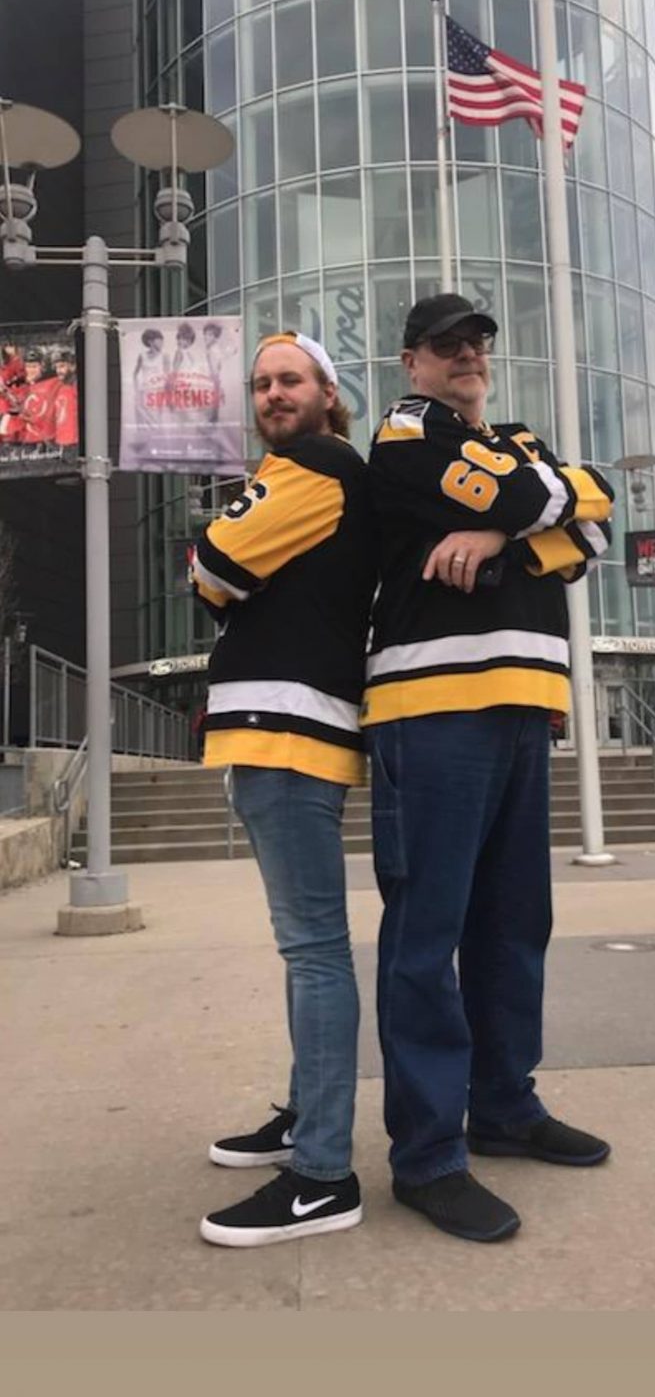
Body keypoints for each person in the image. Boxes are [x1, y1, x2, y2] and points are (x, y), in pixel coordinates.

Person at [362, 293, 615, 1243]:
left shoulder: (514, 441)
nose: (466, 354)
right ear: (411, 362)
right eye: (445, 345)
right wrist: (530, 512)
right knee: (427, 934)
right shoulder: (407, 434)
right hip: (432, 706)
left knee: (514, 923)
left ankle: (504, 1104)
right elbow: (548, 503)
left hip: (521, 704)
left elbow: (595, 519)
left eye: (476, 342)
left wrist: (501, 534)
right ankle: (428, 1154)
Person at [191, 330, 375, 1248]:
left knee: (313, 951)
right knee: (308, 950)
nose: (272, 393)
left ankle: (323, 1176)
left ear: (326, 394)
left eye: (290, 379)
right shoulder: (311, 473)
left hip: (288, 726)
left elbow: (214, 567)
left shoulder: (314, 464)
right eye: (262, 382)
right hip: (281, 723)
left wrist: (215, 556)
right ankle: (307, 1120)